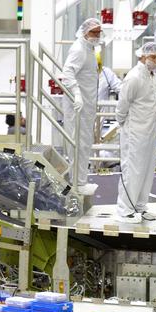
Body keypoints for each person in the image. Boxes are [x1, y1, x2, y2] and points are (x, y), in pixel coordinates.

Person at [116, 41, 156, 221]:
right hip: (135, 132)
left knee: (147, 170)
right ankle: (125, 209)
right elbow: (123, 104)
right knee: (132, 170)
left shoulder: (152, 75)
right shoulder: (134, 77)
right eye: (153, 57)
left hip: (150, 131)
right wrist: (124, 125)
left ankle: (140, 206)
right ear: (142, 56)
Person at [60, 16, 101, 191]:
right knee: (78, 143)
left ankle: (81, 180)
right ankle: (77, 182)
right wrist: (76, 93)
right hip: (78, 106)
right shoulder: (79, 49)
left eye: (99, 32)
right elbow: (67, 72)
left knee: (84, 143)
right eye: (93, 32)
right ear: (84, 32)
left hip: (87, 105)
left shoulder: (89, 48)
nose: (97, 35)